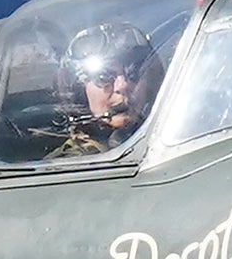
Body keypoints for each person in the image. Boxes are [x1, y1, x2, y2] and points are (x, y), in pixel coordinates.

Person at [38, 19, 165, 159]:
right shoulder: (70, 164)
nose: (122, 86)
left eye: (133, 74)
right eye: (104, 77)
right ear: (80, 92)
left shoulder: (171, 139)